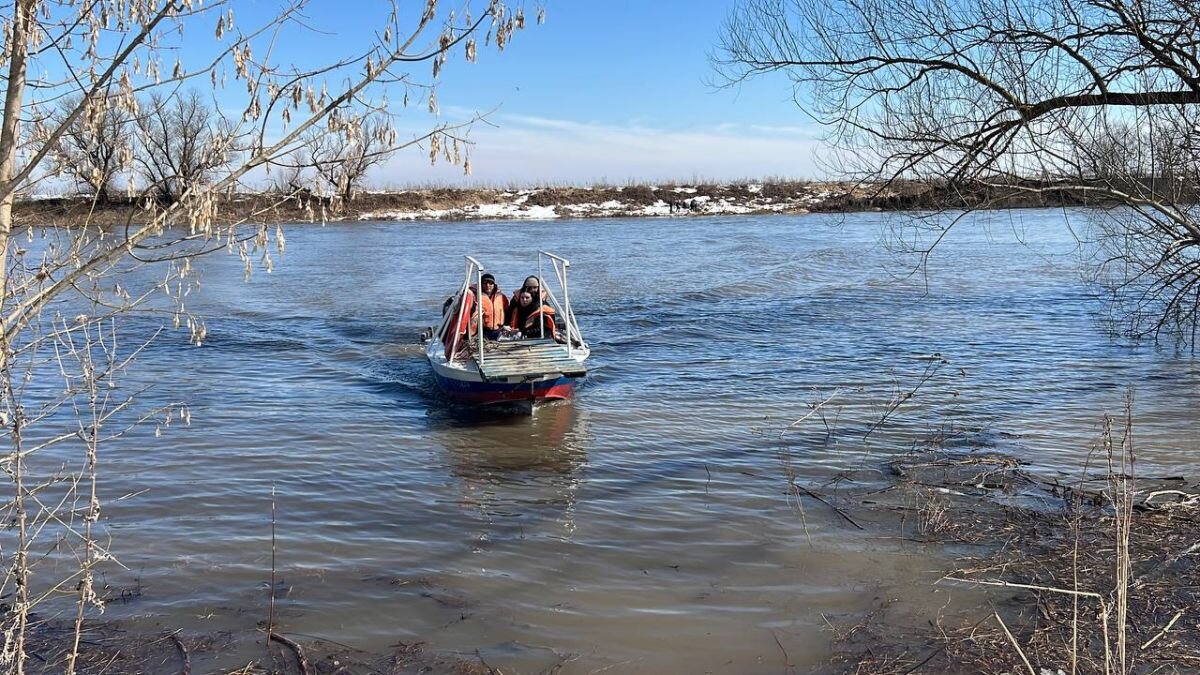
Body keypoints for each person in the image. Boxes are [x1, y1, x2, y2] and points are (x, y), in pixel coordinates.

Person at [476, 273, 509, 339]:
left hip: (499, 330)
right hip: (482, 331)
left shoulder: (501, 297)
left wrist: (506, 325)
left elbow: (507, 311)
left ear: (494, 285)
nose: (488, 285)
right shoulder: (476, 297)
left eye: (491, 283)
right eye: (485, 283)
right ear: (480, 285)